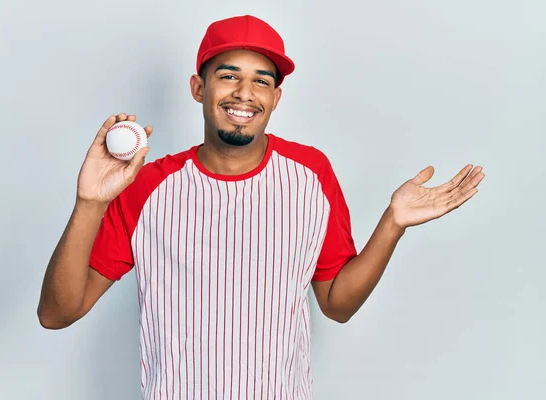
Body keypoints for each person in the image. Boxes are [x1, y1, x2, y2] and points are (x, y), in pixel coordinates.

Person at [37, 14, 485, 399]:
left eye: (261, 81)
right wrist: (89, 203)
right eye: (228, 75)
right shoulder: (147, 185)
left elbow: (337, 304)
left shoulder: (311, 174)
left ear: (275, 97)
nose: (244, 93)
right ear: (199, 87)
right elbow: (58, 313)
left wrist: (393, 224)